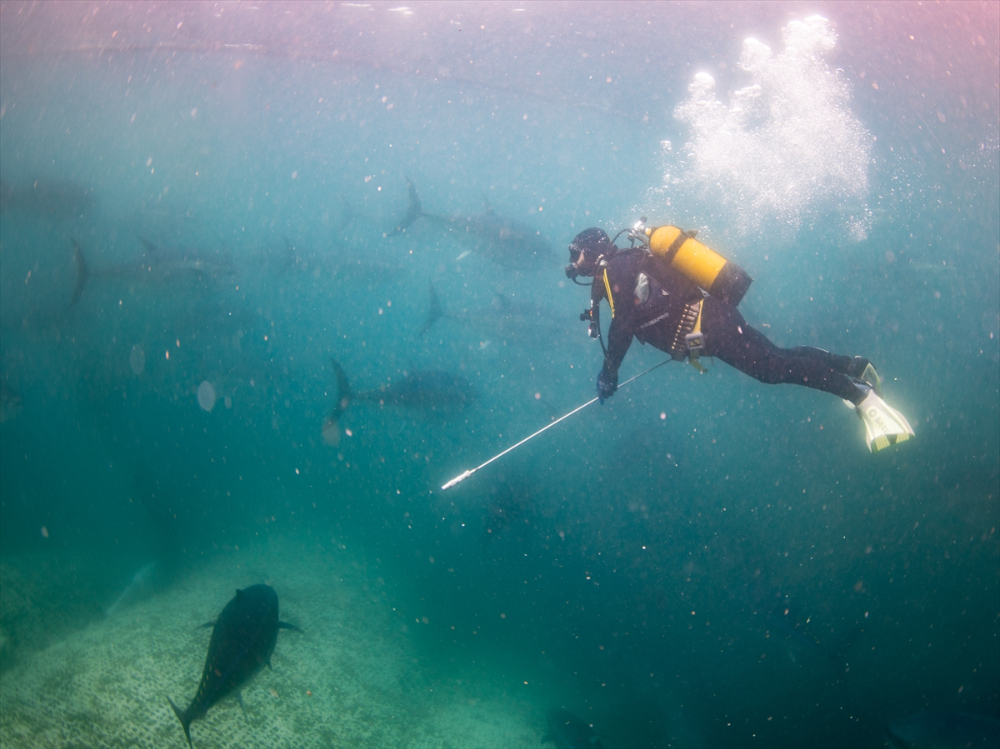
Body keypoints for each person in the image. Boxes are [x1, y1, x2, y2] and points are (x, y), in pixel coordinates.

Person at [565, 227, 914, 452]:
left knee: (772, 369)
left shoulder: (616, 269)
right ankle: (853, 366)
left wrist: (610, 371)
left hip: (707, 325)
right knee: (777, 357)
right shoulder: (622, 268)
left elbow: (623, 325)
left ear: (591, 249)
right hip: (710, 322)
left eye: (575, 253)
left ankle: (859, 396)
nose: (573, 263)